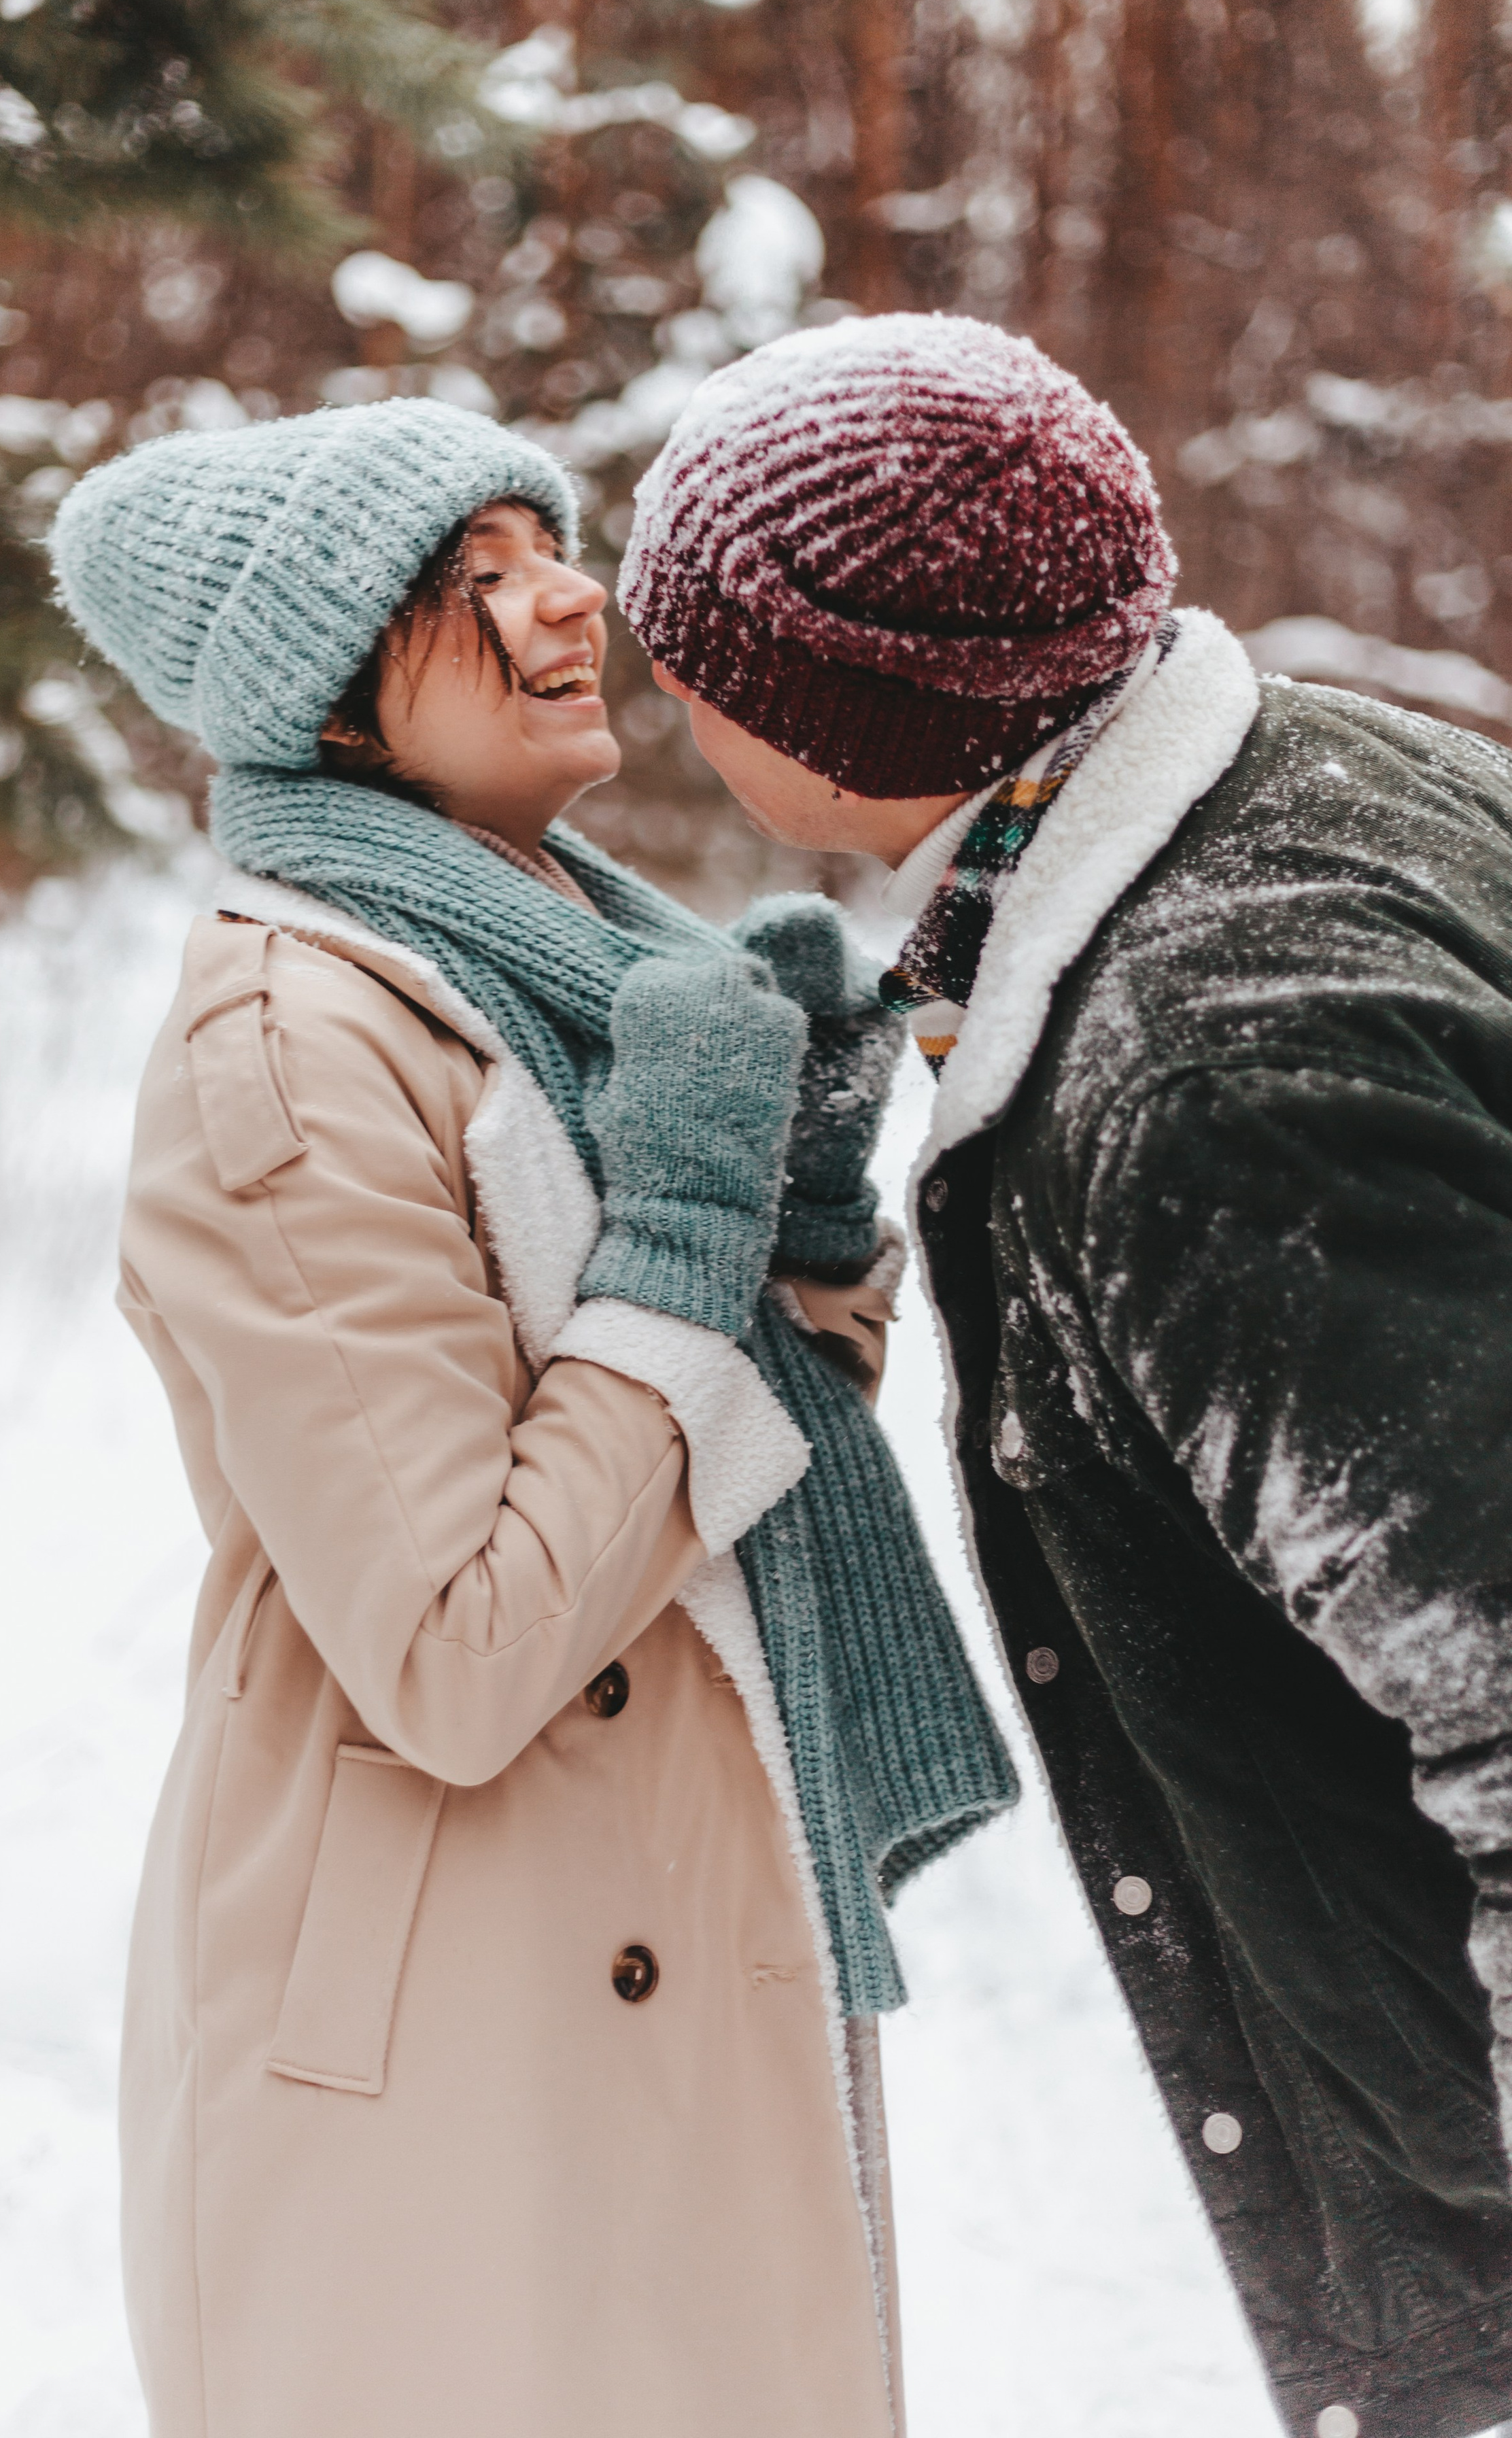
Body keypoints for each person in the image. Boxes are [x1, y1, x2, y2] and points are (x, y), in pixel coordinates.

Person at [49, 398, 1014, 2438]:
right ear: (324, 702)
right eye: (476, 578)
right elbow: (464, 1651)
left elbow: (717, 1467)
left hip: (661, 1956)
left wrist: (805, 1222)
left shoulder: (565, 969)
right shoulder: (291, 1046)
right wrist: (684, 1229)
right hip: (446, 2059)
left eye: (548, 550)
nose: (570, 595)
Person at [618, 311, 1512, 2438]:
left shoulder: (1212, 1079)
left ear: (828, 720)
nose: (654, 688)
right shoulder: (1338, 774)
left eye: (699, 657)